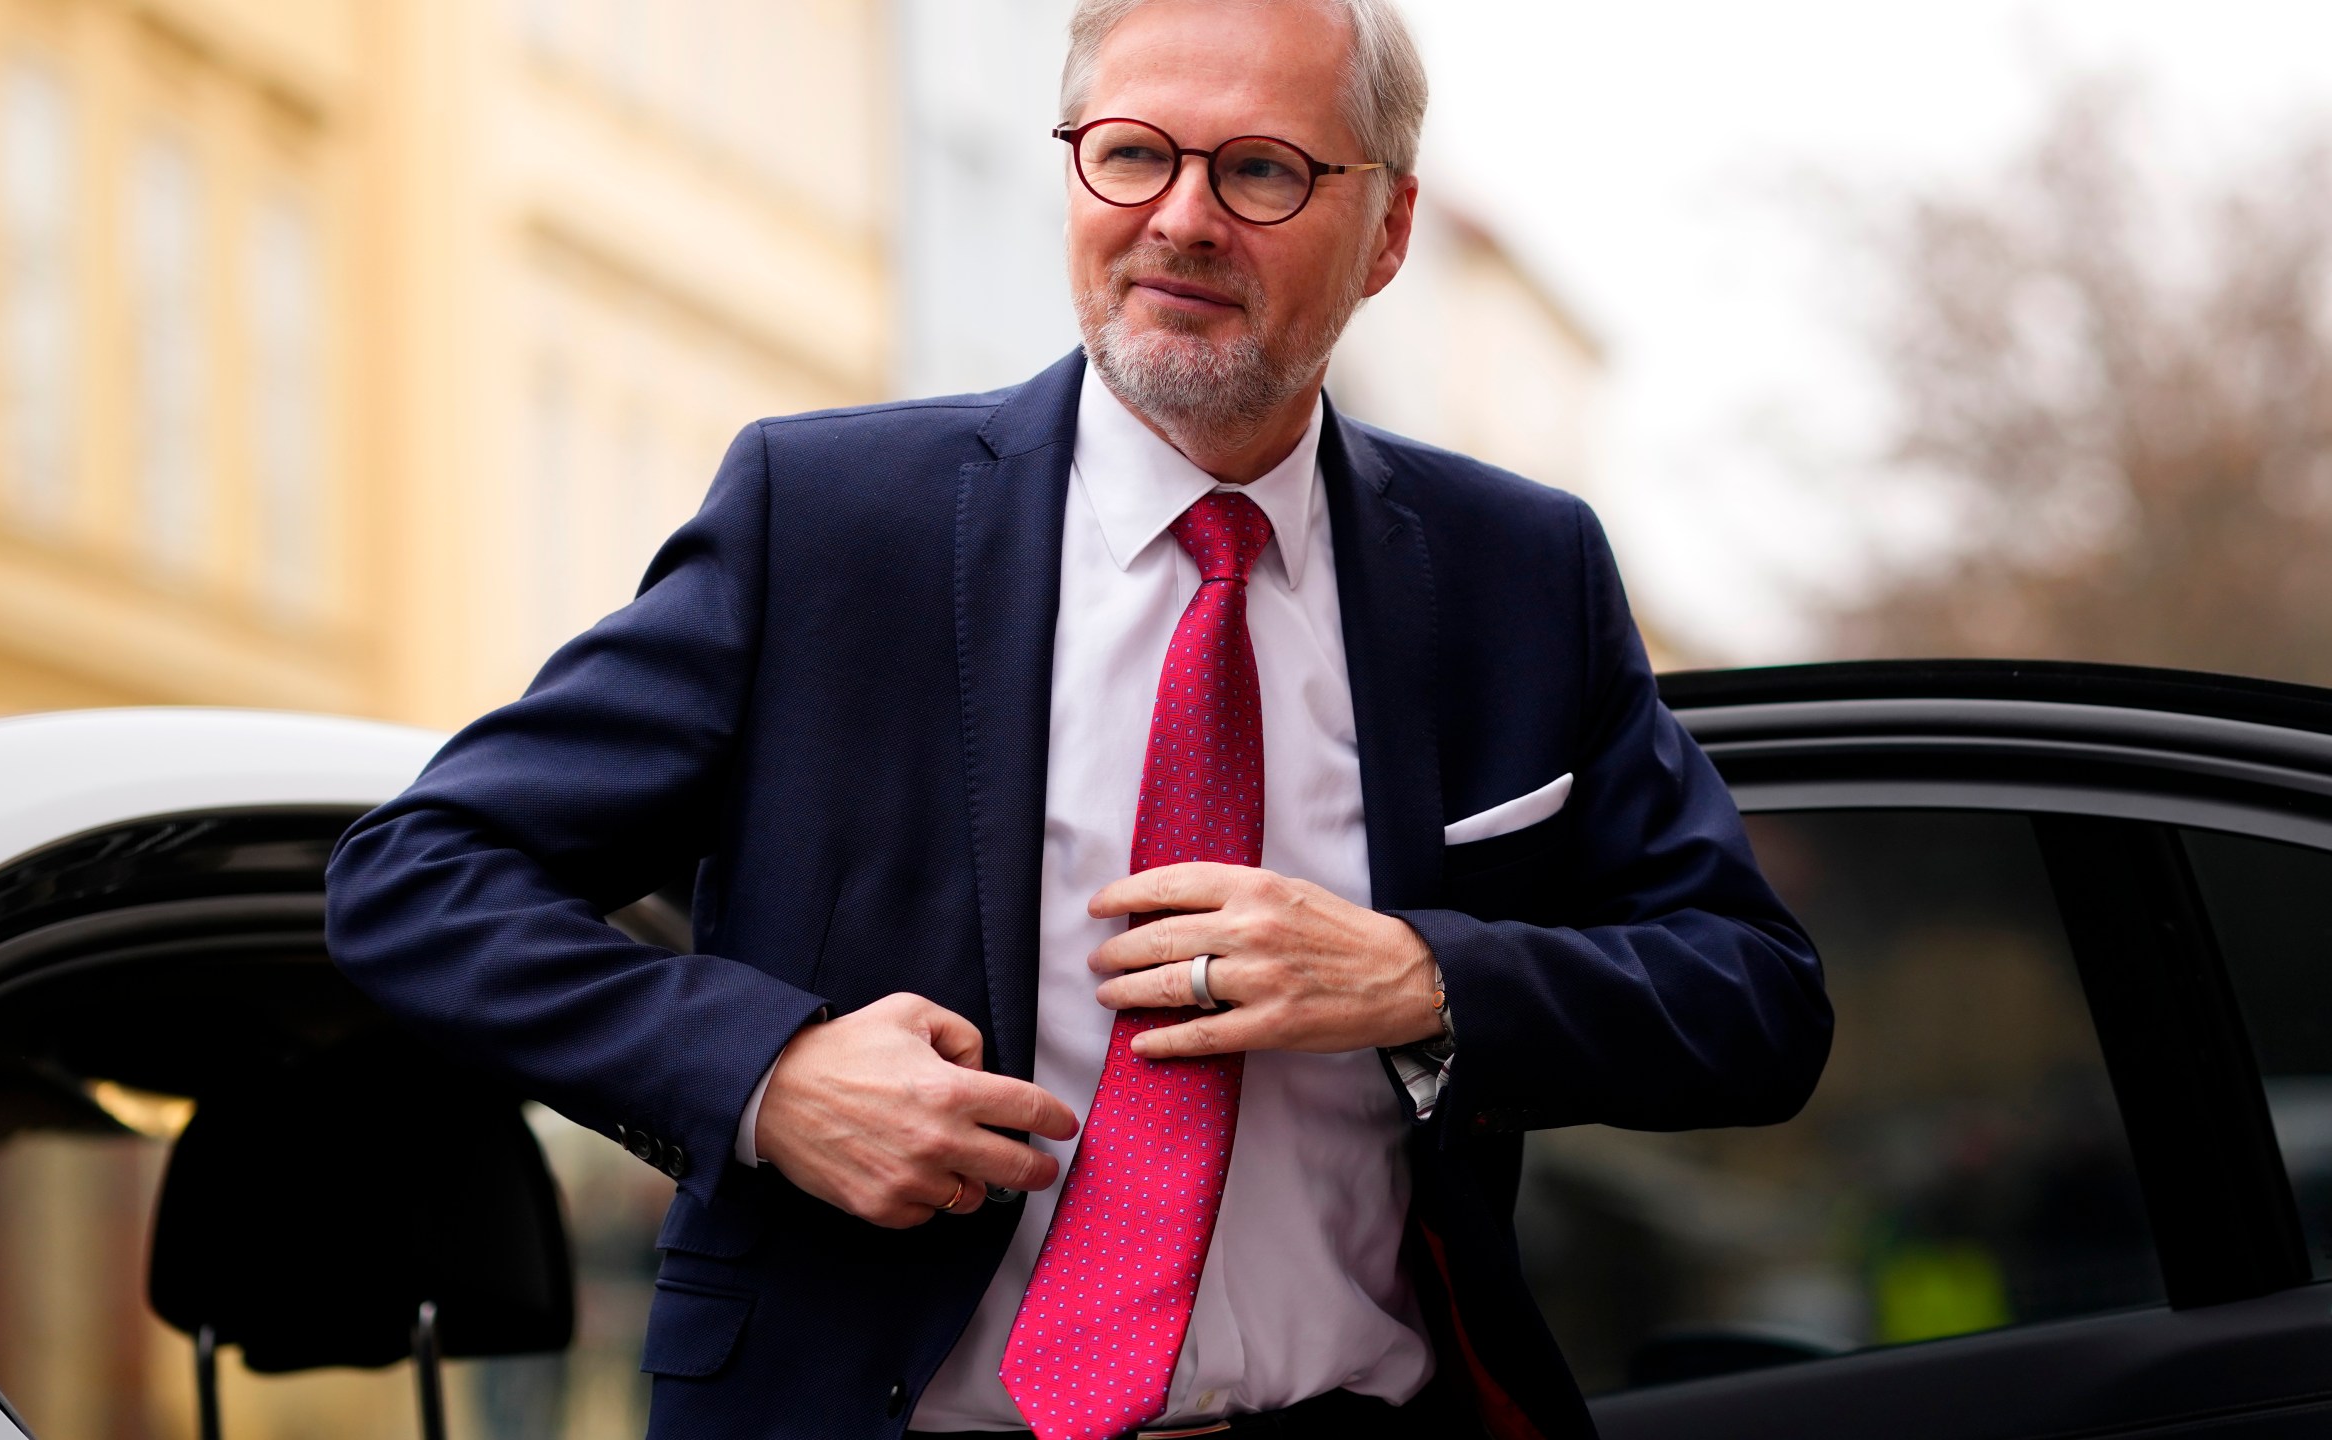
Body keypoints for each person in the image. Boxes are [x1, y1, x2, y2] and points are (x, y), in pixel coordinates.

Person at [324, 1, 1832, 1436]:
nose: (1181, 216)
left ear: (1388, 234)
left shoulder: (1518, 571)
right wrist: (770, 1078)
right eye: (1130, 152)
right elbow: (420, 882)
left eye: (1260, 169)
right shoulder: (831, 522)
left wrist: (1425, 976)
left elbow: (1753, 1001)